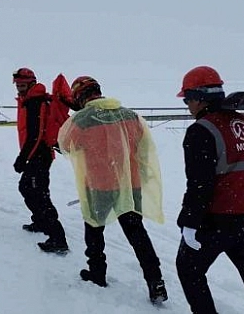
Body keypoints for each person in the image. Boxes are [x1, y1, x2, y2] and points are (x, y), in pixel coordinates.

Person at [58, 76, 168, 304]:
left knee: (94, 229)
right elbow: (142, 145)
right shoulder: (129, 115)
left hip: (99, 185)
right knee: (137, 233)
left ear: (79, 97)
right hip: (130, 184)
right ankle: (155, 281)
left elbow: (66, 145)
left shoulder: (82, 119)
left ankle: (97, 272)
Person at [175, 66, 244, 314]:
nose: (187, 106)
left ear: (197, 98)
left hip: (218, 221)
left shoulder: (201, 130)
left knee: (189, 268)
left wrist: (189, 223)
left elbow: (199, 184)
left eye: (187, 100)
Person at [12, 67, 69, 253]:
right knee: (29, 188)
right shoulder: (30, 100)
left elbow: (35, 135)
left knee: (40, 195)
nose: (19, 88)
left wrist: (22, 158)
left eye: (22, 85)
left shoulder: (35, 102)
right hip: (37, 154)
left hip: (39, 154)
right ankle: (40, 222)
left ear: (31, 83)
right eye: (17, 85)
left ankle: (58, 238)